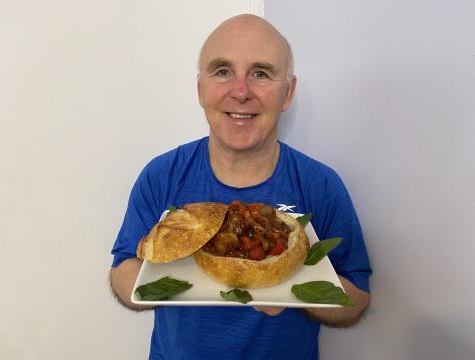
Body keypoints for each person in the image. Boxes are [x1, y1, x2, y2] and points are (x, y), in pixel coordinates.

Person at [110, 14, 372, 360]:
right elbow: (123, 268)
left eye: (260, 73)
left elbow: (357, 299)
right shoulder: (161, 175)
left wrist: (295, 293)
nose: (240, 92)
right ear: (200, 88)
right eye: (222, 71)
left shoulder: (320, 184)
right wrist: (166, 272)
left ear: (288, 92)